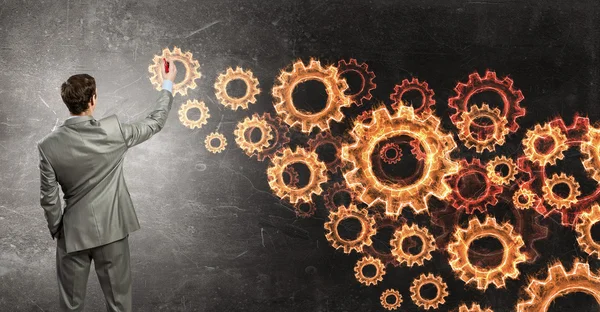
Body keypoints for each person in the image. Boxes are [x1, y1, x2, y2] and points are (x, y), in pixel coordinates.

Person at [36, 58, 177, 311]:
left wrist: (59, 230)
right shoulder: (115, 132)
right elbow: (155, 121)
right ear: (92, 101)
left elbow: (49, 198)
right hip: (112, 232)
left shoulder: (47, 146)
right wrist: (168, 83)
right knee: (119, 305)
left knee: (71, 307)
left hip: (72, 236)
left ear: (67, 103)